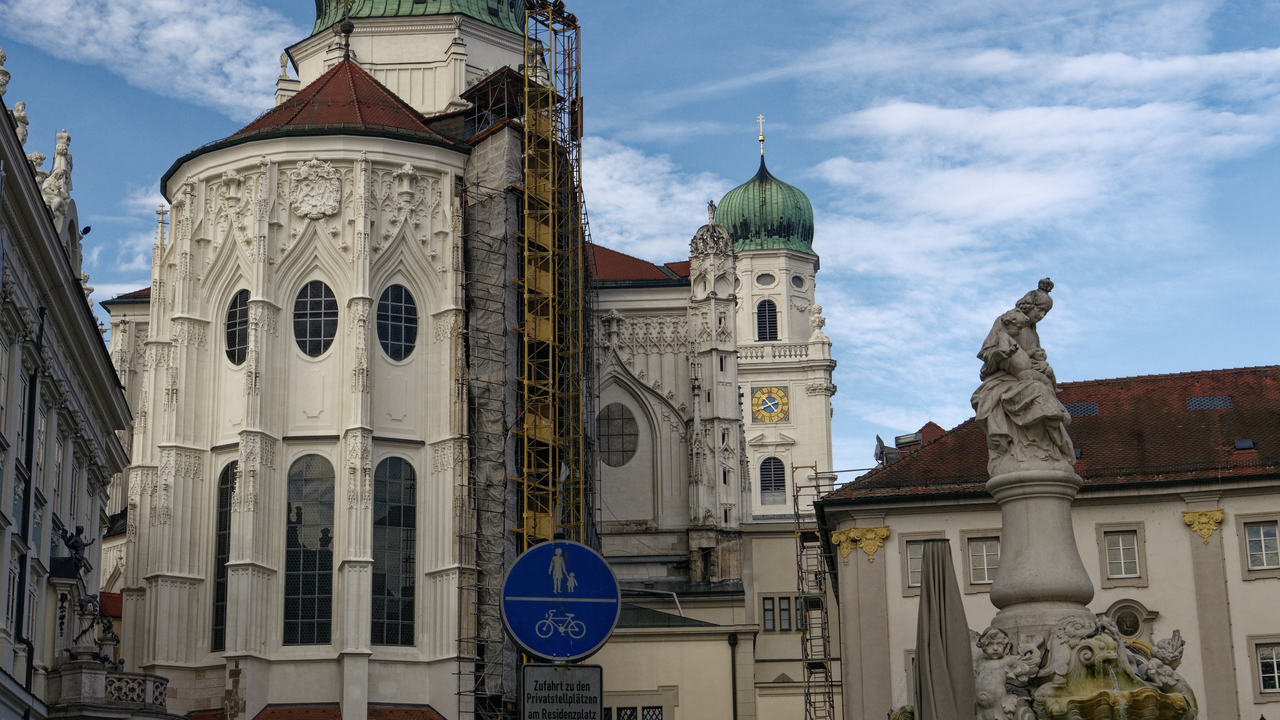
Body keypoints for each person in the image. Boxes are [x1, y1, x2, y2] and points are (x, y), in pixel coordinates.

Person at [971, 280, 1074, 477]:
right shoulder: (1006, 320)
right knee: (1040, 394)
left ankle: (1045, 450)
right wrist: (1003, 354)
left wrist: (1041, 362)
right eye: (1040, 311)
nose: (1042, 316)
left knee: (1043, 389)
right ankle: (1030, 449)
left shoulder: (1033, 330)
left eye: (1045, 313)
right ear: (1029, 306)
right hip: (1006, 379)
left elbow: (1031, 357)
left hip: (1027, 376)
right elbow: (987, 352)